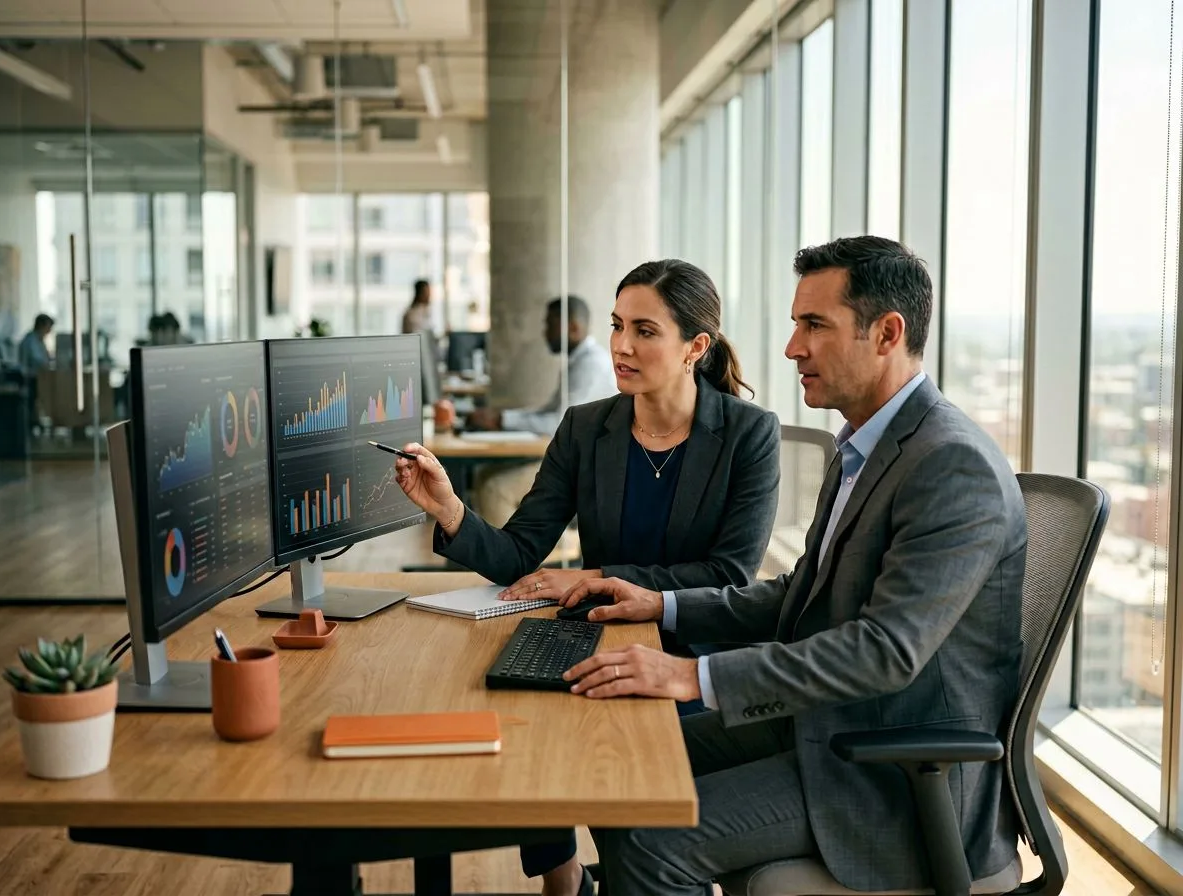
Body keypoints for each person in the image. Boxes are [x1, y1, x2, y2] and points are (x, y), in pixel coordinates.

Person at [560, 236, 1026, 895]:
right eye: (794, 324)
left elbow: (884, 651)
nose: (791, 348)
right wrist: (659, 604)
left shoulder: (951, 465)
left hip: (890, 775)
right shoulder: (868, 446)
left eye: (815, 326)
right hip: (825, 725)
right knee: (625, 766)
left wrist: (694, 674)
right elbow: (799, 596)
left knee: (648, 837)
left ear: (887, 333)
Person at [394, 259, 782, 896]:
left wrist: (596, 573)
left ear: (696, 347)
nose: (621, 346)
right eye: (617, 325)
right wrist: (448, 509)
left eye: (645, 331)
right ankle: (564, 877)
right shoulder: (587, 427)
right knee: (516, 713)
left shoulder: (747, 434)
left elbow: (728, 573)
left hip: (696, 647)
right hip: (601, 635)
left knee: (605, 762)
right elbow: (522, 553)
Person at [465, 295, 617, 525]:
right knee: (485, 473)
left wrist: (502, 420)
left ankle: (529, 556)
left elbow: (559, 423)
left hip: (585, 469)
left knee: (494, 488)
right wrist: (501, 418)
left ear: (573, 328)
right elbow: (548, 411)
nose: (545, 332)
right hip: (573, 458)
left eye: (550, 324)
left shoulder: (591, 365)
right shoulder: (579, 361)